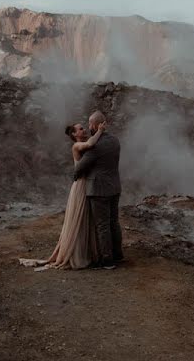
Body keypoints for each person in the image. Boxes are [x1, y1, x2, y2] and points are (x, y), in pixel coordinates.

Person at [40, 120, 105, 269]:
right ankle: (77, 253)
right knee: (80, 217)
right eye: (81, 129)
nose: (83, 130)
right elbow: (90, 145)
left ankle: (86, 252)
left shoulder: (86, 142)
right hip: (81, 185)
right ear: (75, 134)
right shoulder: (76, 146)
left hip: (88, 184)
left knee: (87, 217)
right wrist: (100, 130)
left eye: (84, 128)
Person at [73, 110, 123, 269]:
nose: (88, 127)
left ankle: (107, 260)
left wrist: (75, 176)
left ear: (95, 125)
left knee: (102, 225)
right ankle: (118, 254)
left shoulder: (95, 147)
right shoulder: (115, 141)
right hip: (114, 186)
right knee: (114, 222)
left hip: (98, 190)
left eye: (89, 124)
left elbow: (80, 168)